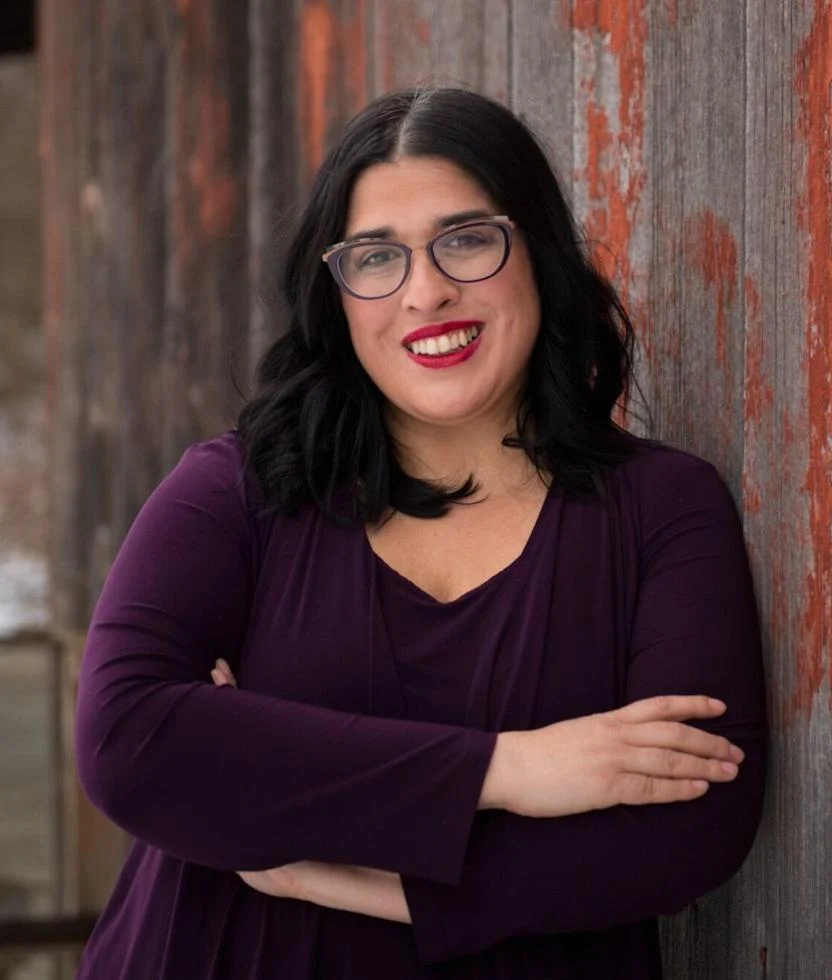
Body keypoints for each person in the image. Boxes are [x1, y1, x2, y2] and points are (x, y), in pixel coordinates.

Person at [73, 86, 767, 979]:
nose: (426, 293)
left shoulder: (664, 510)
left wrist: (330, 865)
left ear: (537, 252)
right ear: (339, 293)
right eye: (375, 258)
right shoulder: (240, 489)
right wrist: (515, 771)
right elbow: (127, 744)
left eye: (466, 240)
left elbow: (687, 833)